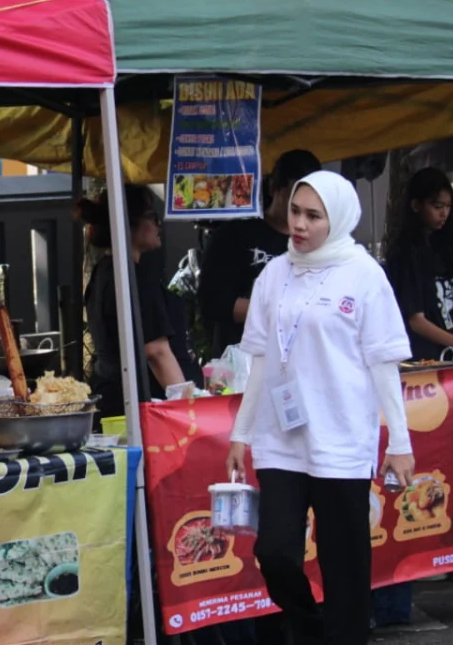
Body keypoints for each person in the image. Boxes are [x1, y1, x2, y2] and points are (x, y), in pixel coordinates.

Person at [225, 171, 415, 645]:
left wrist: (400, 442)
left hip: (343, 439)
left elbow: (384, 364)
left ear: (340, 218)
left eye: (313, 216)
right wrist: (241, 433)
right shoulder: (274, 274)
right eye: (295, 212)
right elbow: (260, 359)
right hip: (280, 440)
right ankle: (309, 627)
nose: (300, 225)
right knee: (275, 552)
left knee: (344, 566)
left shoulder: (364, 274)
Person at [79, 185, 202, 414]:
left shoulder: (104, 273)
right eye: (152, 217)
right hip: (146, 409)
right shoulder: (132, 278)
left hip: (120, 400)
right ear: (129, 223)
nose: (158, 225)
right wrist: (188, 410)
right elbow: (156, 352)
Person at [199, 150, 323, 353]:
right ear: (274, 186)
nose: (301, 211)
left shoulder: (320, 242)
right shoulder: (234, 235)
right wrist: (283, 310)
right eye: (294, 199)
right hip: (245, 361)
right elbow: (214, 304)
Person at [384, 167, 453, 364]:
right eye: (437, 206)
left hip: (450, 352)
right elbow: (416, 321)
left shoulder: (440, 246)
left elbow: (446, 292)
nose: (444, 214)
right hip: (424, 358)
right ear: (416, 205)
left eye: (448, 207)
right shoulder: (405, 254)